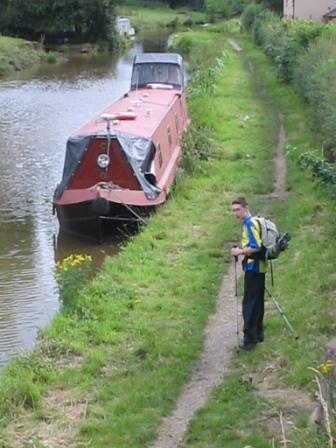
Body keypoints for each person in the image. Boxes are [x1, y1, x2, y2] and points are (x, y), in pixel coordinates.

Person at [231, 197, 267, 351]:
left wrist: (240, 251)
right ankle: (258, 334)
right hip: (261, 267)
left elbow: (256, 246)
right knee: (257, 301)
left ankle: (249, 341)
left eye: (238, 209)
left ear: (246, 208)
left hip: (254, 268)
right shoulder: (255, 221)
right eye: (233, 210)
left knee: (250, 304)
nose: (235, 213)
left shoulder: (250, 223)